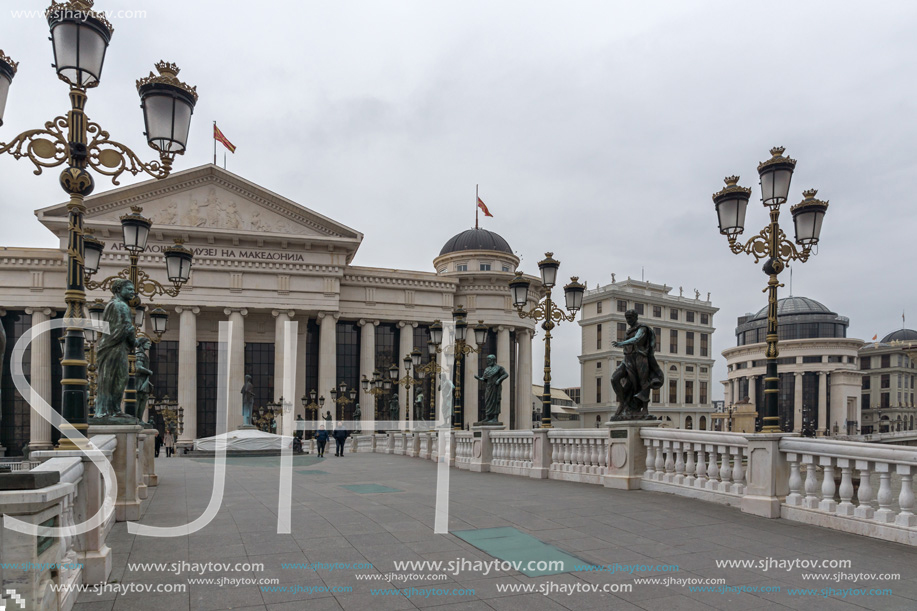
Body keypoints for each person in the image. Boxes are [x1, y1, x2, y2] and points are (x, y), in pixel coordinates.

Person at [611, 309, 664, 420]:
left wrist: (621, 343)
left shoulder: (642, 328)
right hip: (628, 359)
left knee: (643, 383)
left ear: (635, 317)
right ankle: (623, 403)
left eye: (630, 318)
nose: (628, 320)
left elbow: (637, 339)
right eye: (627, 318)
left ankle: (644, 409)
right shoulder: (629, 330)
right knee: (614, 378)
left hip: (640, 358)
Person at [94, 279, 136, 419]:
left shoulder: (115, 304)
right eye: (129, 289)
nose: (133, 292)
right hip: (114, 346)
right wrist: (135, 342)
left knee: (112, 379)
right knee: (116, 378)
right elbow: (125, 328)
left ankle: (110, 410)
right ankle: (108, 411)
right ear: (118, 289)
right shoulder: (120, 306)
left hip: (113, 345)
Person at [475, 354, 508, 423]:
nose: (487, 362)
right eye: (487, 360)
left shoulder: (499, 368)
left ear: (493, 360)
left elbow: (506, 374)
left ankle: (495, 418)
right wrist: (478, 378)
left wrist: (499, 380)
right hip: (489, 387)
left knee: (495, 401)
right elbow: (484, 379)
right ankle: (487, 417)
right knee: (487, 401)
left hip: (495, 387)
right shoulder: (487, 369)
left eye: (489, 360)